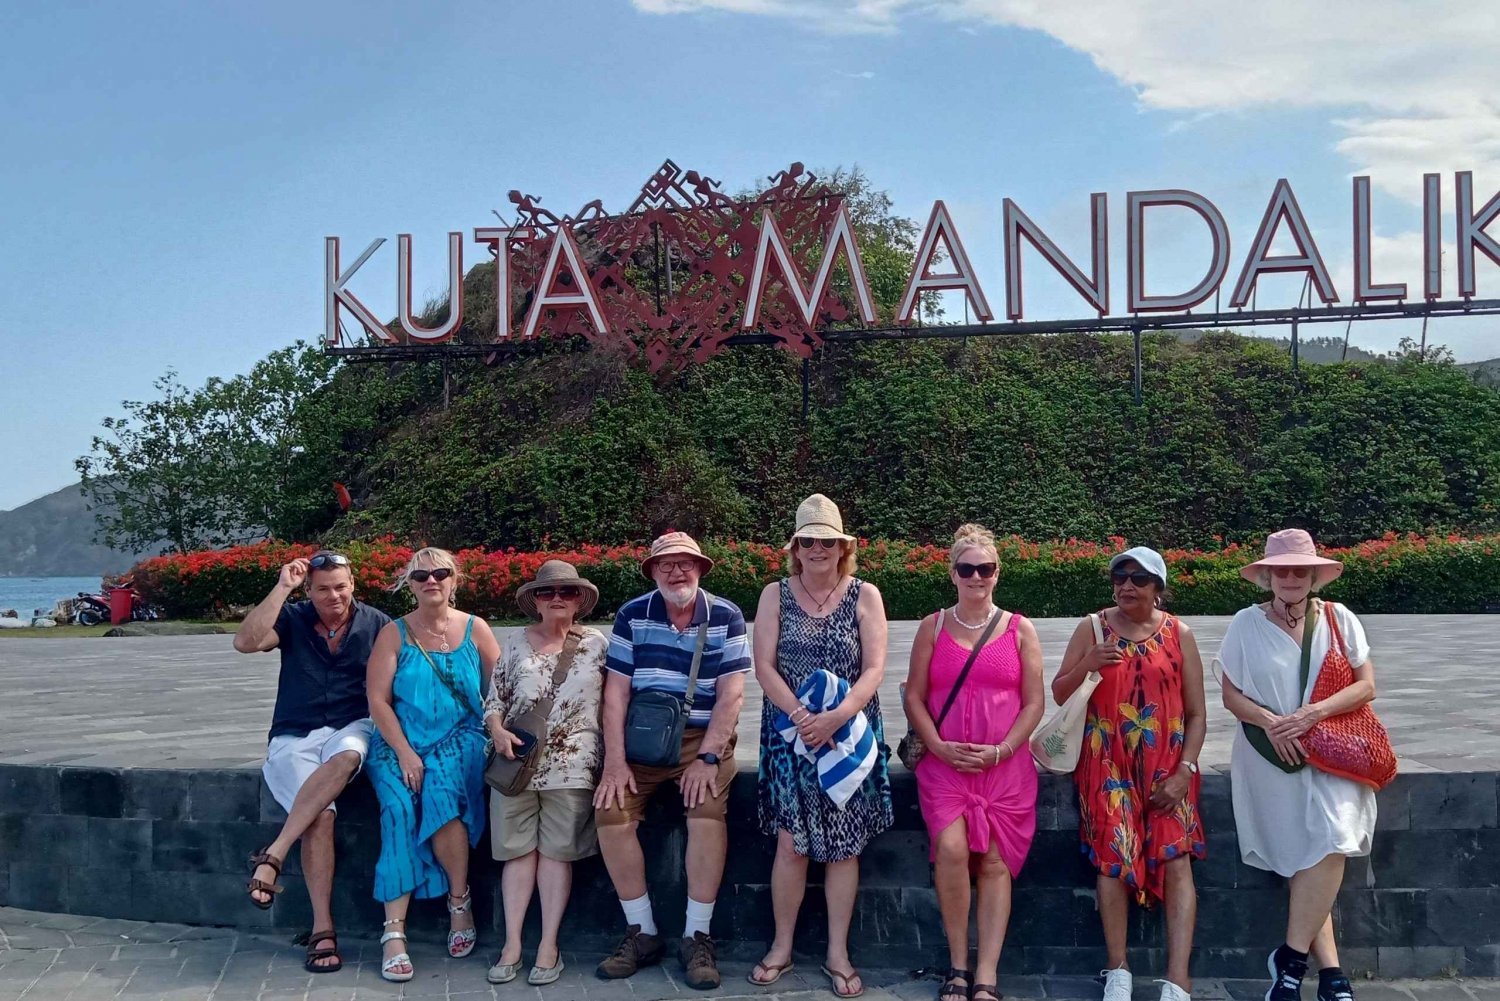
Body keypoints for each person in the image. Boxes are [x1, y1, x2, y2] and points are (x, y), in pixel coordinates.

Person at [1216, 530, 1376, 1001]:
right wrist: (1273, 725)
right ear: (1267, 576)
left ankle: (1289, 957)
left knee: (1333, 838)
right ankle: (1330, 976)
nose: (1290, 577)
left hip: (1331, 749)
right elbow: (1231, 695)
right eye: (1281, 570)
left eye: (1299, 569)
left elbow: (1367, 685)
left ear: (1313, 575)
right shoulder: (1246, 623)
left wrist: (1310, 715)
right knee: (1303, 855)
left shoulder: (1339, 619)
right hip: (1271, 754)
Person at [593, 531, 750, 990]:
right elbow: (616, 693)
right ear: (653, 571)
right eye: (666, 564)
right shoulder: (632, 615)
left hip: (700, 735)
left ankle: (696, 935)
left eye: (686, 564)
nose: (677, 572)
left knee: (706, 813)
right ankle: (641, 932)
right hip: (642, 739)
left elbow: (731, 695)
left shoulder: (725, 615)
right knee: (610, 809)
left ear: (700, 569)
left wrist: (708, 757)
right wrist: (615, 760)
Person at [750, 494, 894, 999]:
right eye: (808, 540)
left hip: (847, 733)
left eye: (826, 541)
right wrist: (801, 717)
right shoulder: (775, 595)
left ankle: (838, 952)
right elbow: (763, 665)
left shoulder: (864, 594)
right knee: (790, 844)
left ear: (842, 547)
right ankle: (782, 946)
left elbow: (874, 668)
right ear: (796, 547)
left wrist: (836, 716)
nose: (817, 548)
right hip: (789, 736)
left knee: (843, 847)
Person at [1051, 546, 1207, 1001]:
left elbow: (1197, 714)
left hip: (1168, 769)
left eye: (1139, 578)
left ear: (1158, 588)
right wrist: (1089, 664)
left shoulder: (1180, 633)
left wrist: (1185, 771)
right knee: (1113, 861)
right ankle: (1117, 969)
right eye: (1120, 577)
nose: (1127, 586)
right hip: (1107, 766)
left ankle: (1178, 979)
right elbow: (1060, 694)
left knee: (1177, 860)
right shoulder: (1093, 628)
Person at [904, 524, 1044, 1001]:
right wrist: (938, 747)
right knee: (952, 851)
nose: (976, 576)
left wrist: (1003, 750)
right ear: (953, 573)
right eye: (967, 569)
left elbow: (1033, 703)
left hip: (1004, 767)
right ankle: (957, 964)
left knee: (995, 863)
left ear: (997, 573)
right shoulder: (934, 626)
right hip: (946, 765)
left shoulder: (1019, 628)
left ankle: (986, 973)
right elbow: (914, 698)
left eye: (985, 568)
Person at [234, 550, 391, 975]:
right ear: (309, 590)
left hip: (351, 724)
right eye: (323, 589)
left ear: (353, 584)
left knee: (348, 755)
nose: (333, 596)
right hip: (294, 733)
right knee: (320, 817)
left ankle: (274, 853)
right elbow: (246, 642)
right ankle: (323, 928)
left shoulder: (377, 624)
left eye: (341, 586)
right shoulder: (294, 617)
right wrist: (282, 587)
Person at [365, 548, 497, 983]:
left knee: (441, 792)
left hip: (461, 737)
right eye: (421, 575)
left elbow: (499, 692)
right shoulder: (394, 633)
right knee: (399, 807)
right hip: (400, 741)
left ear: (454, 579)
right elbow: (378, 702)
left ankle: (460, 902)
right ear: (411, 583)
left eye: (440, 573)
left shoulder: (475, 629)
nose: (431, 581)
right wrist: (404, 751)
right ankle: (394, 931)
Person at [483, 560, 609, 988]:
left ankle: (548, 944)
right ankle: (512, 944)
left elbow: (615, 702)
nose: (557, 599)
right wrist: (498, 731)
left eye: (567, 592)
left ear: (579, 601)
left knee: (557, 855)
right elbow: (494, 699)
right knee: (517, 854)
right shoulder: (514, 642)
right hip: (516, 763)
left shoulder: (596, 644)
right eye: (547, 592)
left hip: (573, 766)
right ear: (535, 599)